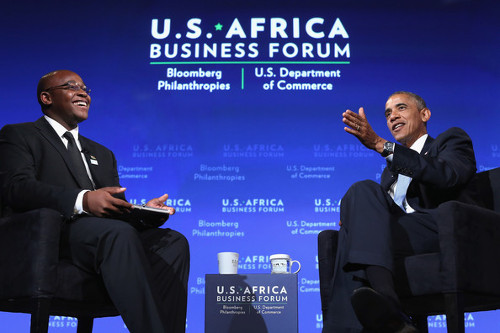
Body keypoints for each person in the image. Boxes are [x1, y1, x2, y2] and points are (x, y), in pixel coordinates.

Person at [0, 70, 190, 333]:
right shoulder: (20, 135)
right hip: (54, 234)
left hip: (105, 234)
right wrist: (83, 200)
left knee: (173, 243)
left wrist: (143, 212)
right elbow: (15, 188)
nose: (83, 93)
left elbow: (114, 206)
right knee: (116, 234)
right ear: (46, 98)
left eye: (85, 88)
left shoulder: (102, 153)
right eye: (70, 86)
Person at [322, 92, 477, 333]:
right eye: (387, 114)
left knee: (362, 197)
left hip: (440, 232)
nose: (393, 116)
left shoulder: (450, 140)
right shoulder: (390, 173)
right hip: (397, 237)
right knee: (360, 197)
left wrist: (382, 145)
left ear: (424, 114)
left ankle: (388, 310)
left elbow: (448, 176)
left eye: (401, 108)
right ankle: (393, 322)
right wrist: (358, 219)